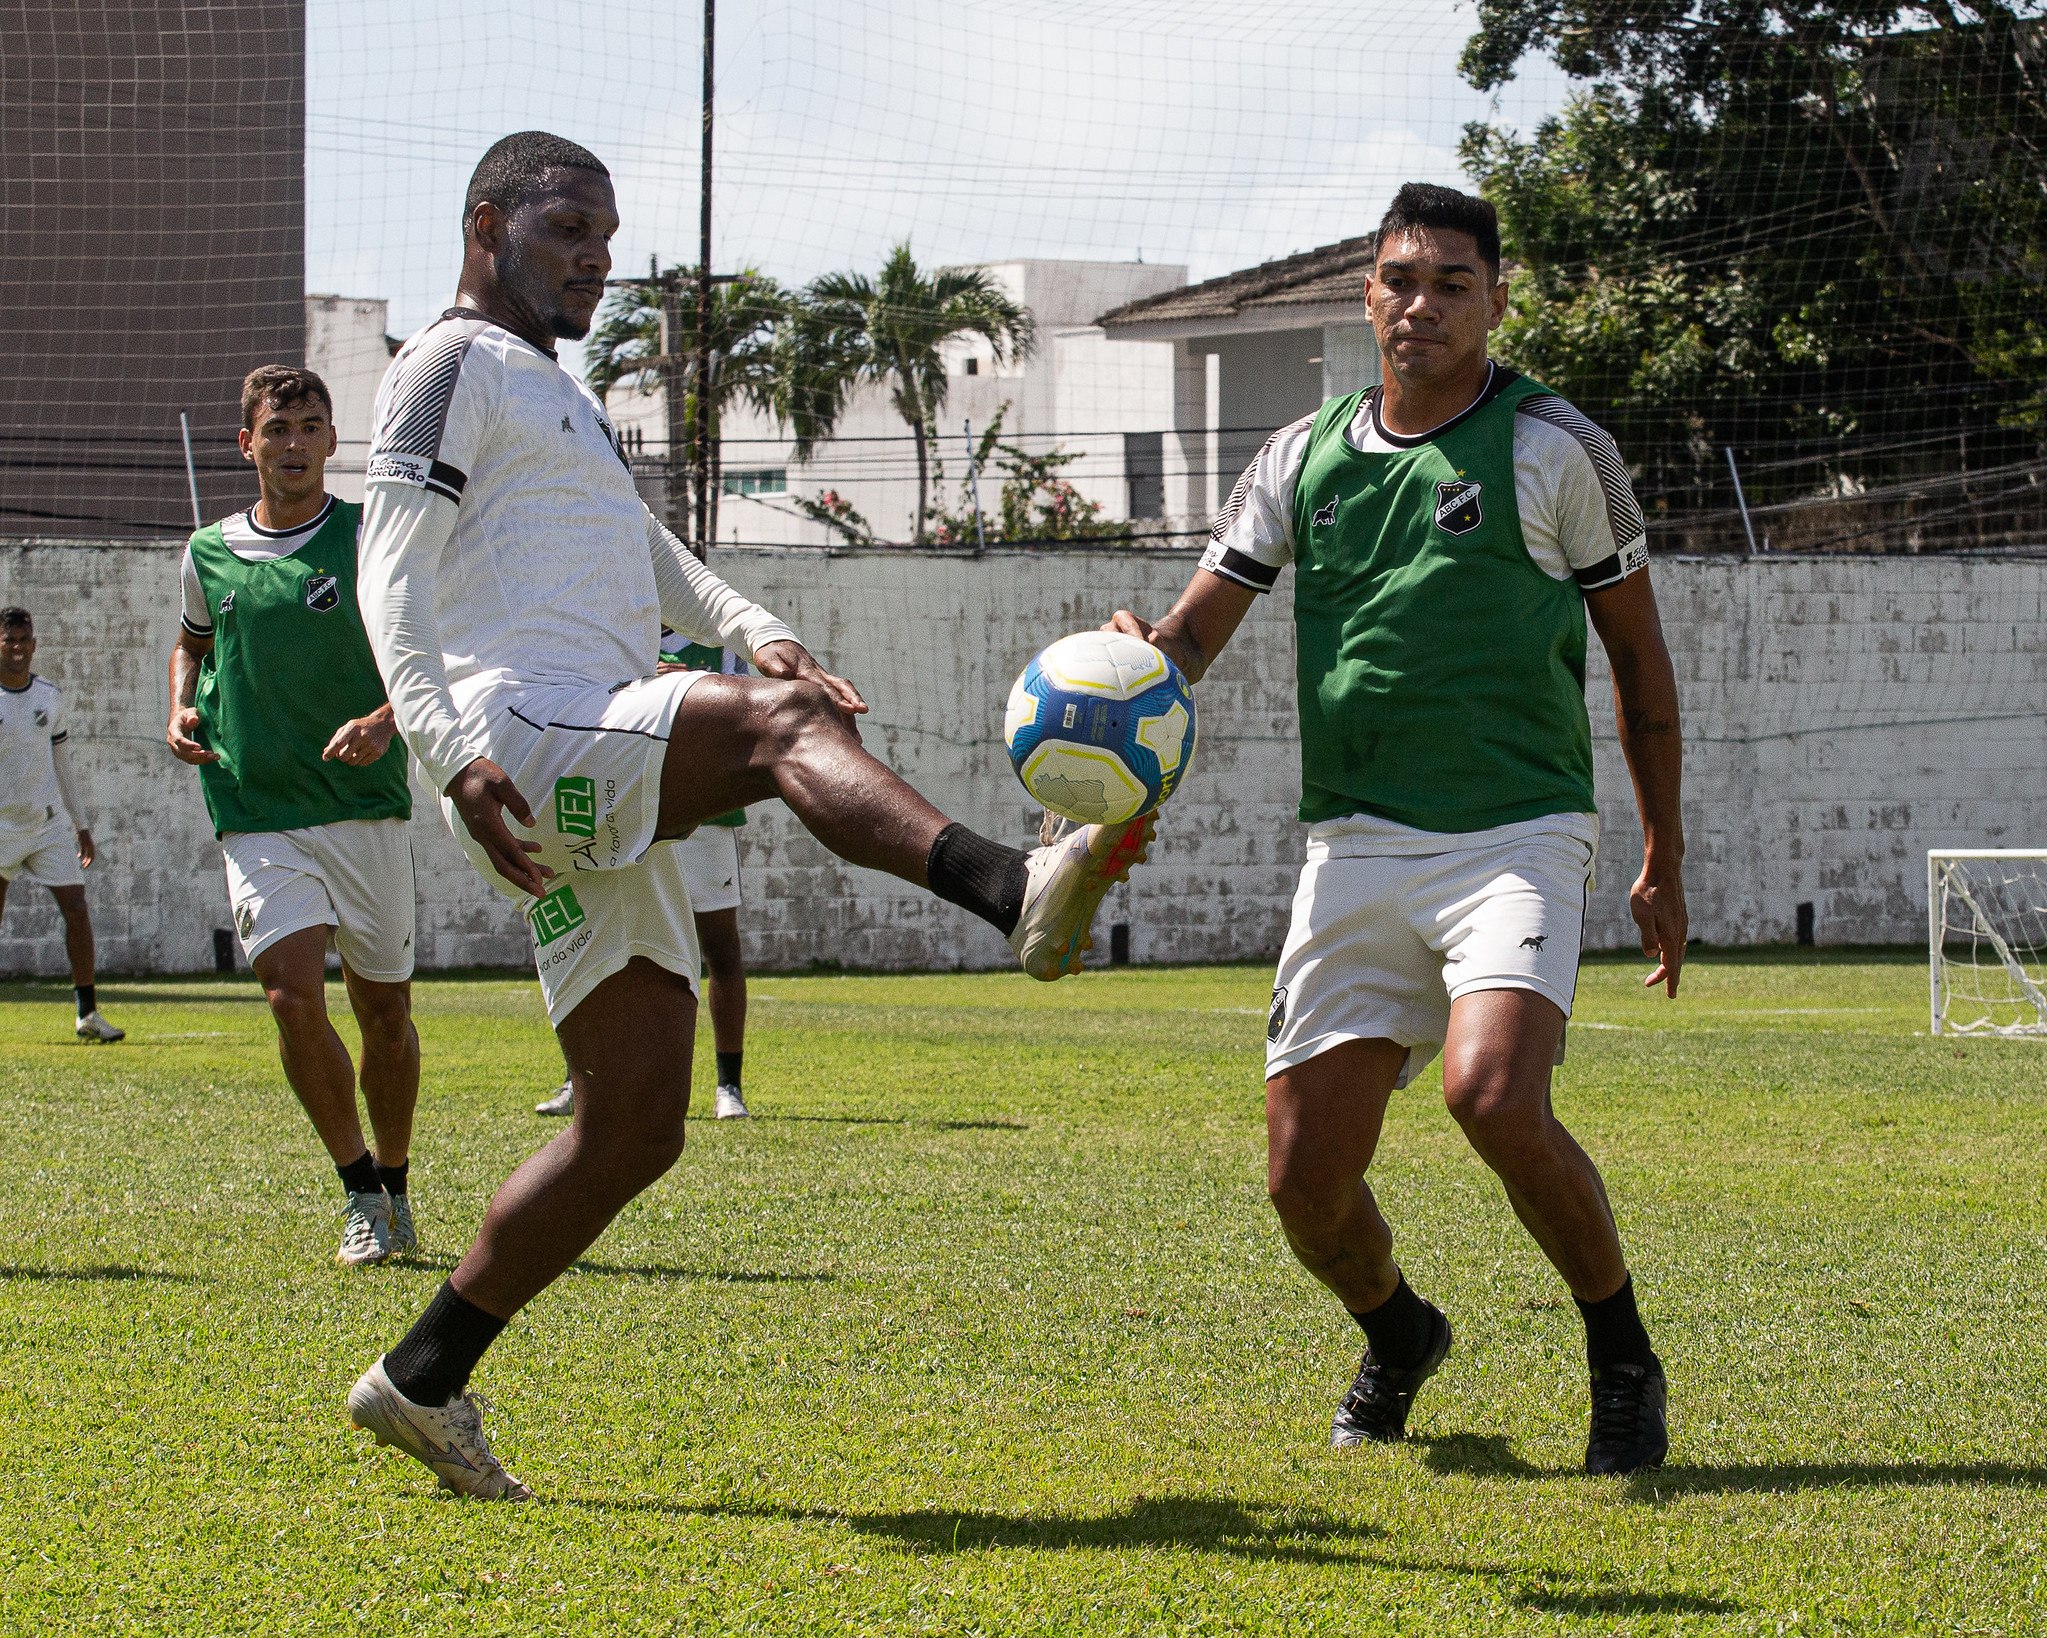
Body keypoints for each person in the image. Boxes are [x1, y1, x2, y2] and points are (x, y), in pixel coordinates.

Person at [343, 131, 1147, 1500]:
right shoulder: (446, 365)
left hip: (583, 731)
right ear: (487, 223)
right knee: (781, 735)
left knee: (634, 1125)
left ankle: (419, 1377)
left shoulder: (555, 393)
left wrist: (754, 626)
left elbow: (652, 557)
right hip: (524, 736)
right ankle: (1013, 892)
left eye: (608, 234)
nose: (599, 256)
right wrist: (443, 749)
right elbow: (385, 574)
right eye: (569, 229)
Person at [1105, 183, 1685, 1476]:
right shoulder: (1299, 456)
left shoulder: (1550, 446)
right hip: (1351, 845)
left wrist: (1662, 853)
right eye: (1396, 279)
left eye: (1447, 283)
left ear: (1493, 301)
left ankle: (1620, 1357)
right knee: (1301, 1188)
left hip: (1514, 834)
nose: (1417, 304)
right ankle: (1399, 1329)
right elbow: (1192, 635)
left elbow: (1638, 663)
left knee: (1490, 1091)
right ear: (1364, 294)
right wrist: (1131, 660)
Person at [165, 365, 424, 1268]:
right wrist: (182, 707)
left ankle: (395, 1183)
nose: (293, 444)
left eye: (310, 427)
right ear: (248, 444)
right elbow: (192, 646)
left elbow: (426, 645)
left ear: (330, 442)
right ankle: (358, 1189)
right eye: (276, 429)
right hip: (255, 806)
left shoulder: (366, 536)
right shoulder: (207, 551)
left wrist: (385, 720)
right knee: (289, 995)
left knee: (383, 1013)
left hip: (365, 808)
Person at [535, 632, 754, 1120]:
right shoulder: (613, 627)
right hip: (628, 811)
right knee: (604, 941)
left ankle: (728, 1086)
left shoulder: (718, 642)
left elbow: (748, 716)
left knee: (720, 949)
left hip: (707, 819)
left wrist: (698, 687)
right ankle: (581, 1080)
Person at [0, 608, 122, 1042]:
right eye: (8, 640)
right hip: (1, 829)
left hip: (48, 825)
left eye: (23, 640)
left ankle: (87, 1013)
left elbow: (62, 762)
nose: (17, 648)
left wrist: (81, 824)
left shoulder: (49, 696)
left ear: (34, 645)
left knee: (77, 909)